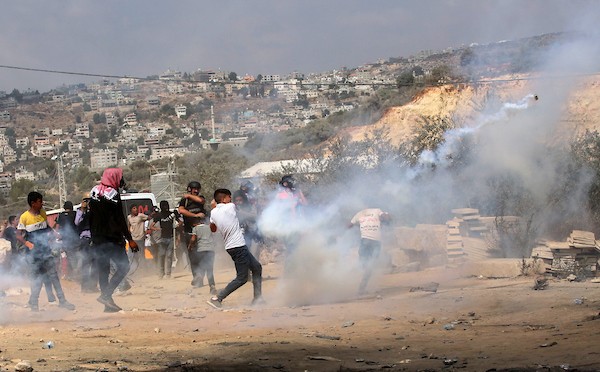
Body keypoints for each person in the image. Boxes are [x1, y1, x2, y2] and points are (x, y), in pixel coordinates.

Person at [90, 168, 139, 312]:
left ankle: (108, 305)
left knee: (103, 271)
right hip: (112, 239)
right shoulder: (113, 194)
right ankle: (106, 295)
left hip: (98, 240)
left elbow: (91, 217)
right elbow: (120, 219)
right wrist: (130, 239)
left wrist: (93, 237)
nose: (121, 180)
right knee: (124, 266)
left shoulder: (94, 192)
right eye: (120, 177)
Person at [17, 191, 75, 311]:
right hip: (33, 255)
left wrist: (54, 233)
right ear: (33, 203)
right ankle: (34, 305)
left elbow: (46, 227)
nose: (42, 203)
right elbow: (18, 235)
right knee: (36, 280)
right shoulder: (24, 217)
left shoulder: (43, 213)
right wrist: (27, 243)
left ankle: (62, 301)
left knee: (54, 276)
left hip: (46, 252)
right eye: (40, 202)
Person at [207, 188, 262, 309]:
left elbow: (213, 229)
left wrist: (214, 208)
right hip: (238, 246)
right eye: (229, 197)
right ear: (224, 199)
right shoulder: (230, 206)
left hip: (233, 246)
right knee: (242, 277)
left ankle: (258, 298)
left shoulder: (213, 213)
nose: (231, 199)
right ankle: (217, 298)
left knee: (257, 268)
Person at [348, 207, 391, 295]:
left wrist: (386, 216)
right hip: (370, 241)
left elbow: (349, 225)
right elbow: (349, 225)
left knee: (369, 265)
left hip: (372, 242)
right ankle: (361, 286)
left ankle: (361, 288)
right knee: (367, 265)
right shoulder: (365, 213)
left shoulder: (373, 211)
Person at [177, 181, 206, 287]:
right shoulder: (184, 201)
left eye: (198, 189)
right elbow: (181, 211)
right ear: (189, 189)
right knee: (193, 257)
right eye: (194, 189)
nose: (196, 191)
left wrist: (189, 195)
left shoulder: (199, 199)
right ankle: (196, 278)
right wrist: (195, 216)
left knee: (202, 256)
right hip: (189, 233)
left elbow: (201, 200)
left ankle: (201, 276)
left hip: (202, 233)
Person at [188, 215, 217, 294]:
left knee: (201, 265)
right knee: (210, 269)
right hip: (211, 250)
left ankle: (199, 275)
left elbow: (193, 239)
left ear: (195, 223)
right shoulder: (209, 227)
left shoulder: (196, 228)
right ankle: (212, 286)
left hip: (201, 250)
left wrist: (190, 246)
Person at [76, 192, 98, 293]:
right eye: (86, 200)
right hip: (85, 241)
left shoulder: (95, 212)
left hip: (95, 240)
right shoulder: (81, 212)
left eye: (89, 200)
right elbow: (77, 223)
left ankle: (93, 286)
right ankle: (84, 287)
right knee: (85, 264)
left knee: (95, 264)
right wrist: (82, 209)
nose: (88, 202)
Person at [151, 200, 179, 279]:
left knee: (169, 256)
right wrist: (157, 229)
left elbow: (179, 222)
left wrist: (176, 226)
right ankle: (161, 273)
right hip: (162, 238)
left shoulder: (172, 214)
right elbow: (151, 226)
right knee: (162, 256)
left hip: (170, 237)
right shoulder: (159, 215)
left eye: (166, 205)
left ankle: (168, 274)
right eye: (164, 206)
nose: (165, 207)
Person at [55, 201, 79, 280]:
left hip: (64, 240)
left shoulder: (60, 215)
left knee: (66, 257)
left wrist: (58, 236)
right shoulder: (75, 213)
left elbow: (57, 227)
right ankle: (75, 274)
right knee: (74, 256)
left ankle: (69, 275)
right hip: (75, 239)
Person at [127, 204, 148, 272]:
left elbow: (149, 218)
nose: (136, 209)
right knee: (132, 255)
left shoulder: (141, 216)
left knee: (141, 255)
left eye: (136, 208)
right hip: (133, 239)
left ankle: (143, 270)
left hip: (141, 238)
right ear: (131, 210)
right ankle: (134, 269)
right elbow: (129, 226)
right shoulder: (129, 217)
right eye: (134, 208)